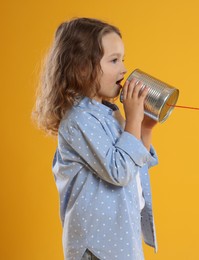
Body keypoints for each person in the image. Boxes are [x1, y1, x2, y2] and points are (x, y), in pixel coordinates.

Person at [33, 17, 159, 260]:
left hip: (121, 239)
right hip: (97, 247)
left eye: (122, 59)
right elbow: (119, 171)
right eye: (113, 60)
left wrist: (144, 129)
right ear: (82, 68)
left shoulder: (110, 114)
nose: (123, 69)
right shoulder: (79, 120)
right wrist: (132, 119)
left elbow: (135, 166)